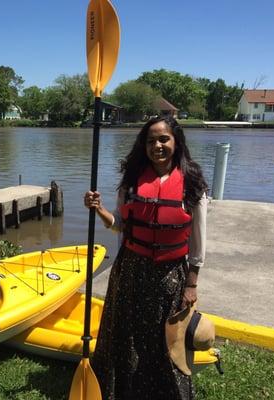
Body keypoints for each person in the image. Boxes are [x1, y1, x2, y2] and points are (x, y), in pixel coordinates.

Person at [84, 116, 208, 399]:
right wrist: (99, 209)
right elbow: (120, 224)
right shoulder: (131, 181)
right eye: (151, 140)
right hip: (130, 269)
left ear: (176, 142)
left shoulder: (192, 184)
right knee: (125, 335)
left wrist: (192, 283)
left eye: (163, 139)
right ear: (144, 145)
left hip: (169, 274)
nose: (157, 146)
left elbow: (199, 239)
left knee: (163, 338)